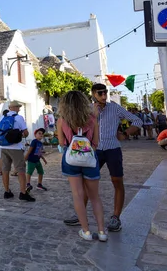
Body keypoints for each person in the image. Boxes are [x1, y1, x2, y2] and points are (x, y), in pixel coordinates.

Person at [63, 83, 142, 233]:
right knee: (87, 183)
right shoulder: (87, 109)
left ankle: (116, 217)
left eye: (105, 92)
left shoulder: (115, 107)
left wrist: (125, 134)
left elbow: (137, 121)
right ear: (93, 94)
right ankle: (80, 215)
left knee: (117, 181)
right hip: (94, 150)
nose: (104, 96)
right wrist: (92, 115)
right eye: (100, 93)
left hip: (113, 148)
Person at [57, 91, 106, 242]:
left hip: (71, 160)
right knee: (94, 197)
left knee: (78, 195)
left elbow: (62, 143)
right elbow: (96, 143)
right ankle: (102, 232)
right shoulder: (92, 119)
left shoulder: (61, 120)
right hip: (90, 160)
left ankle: (86, 231)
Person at [0, 101, 35, 202]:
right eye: (18, 107)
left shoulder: (2, 117)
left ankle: (7, 192)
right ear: (14, 108)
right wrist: (22, 135)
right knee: (21, 170)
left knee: (5, 169)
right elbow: (26, 132)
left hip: (3, 147)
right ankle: (23, 193)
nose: (19, 109)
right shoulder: (19, 117)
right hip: (15, 148)